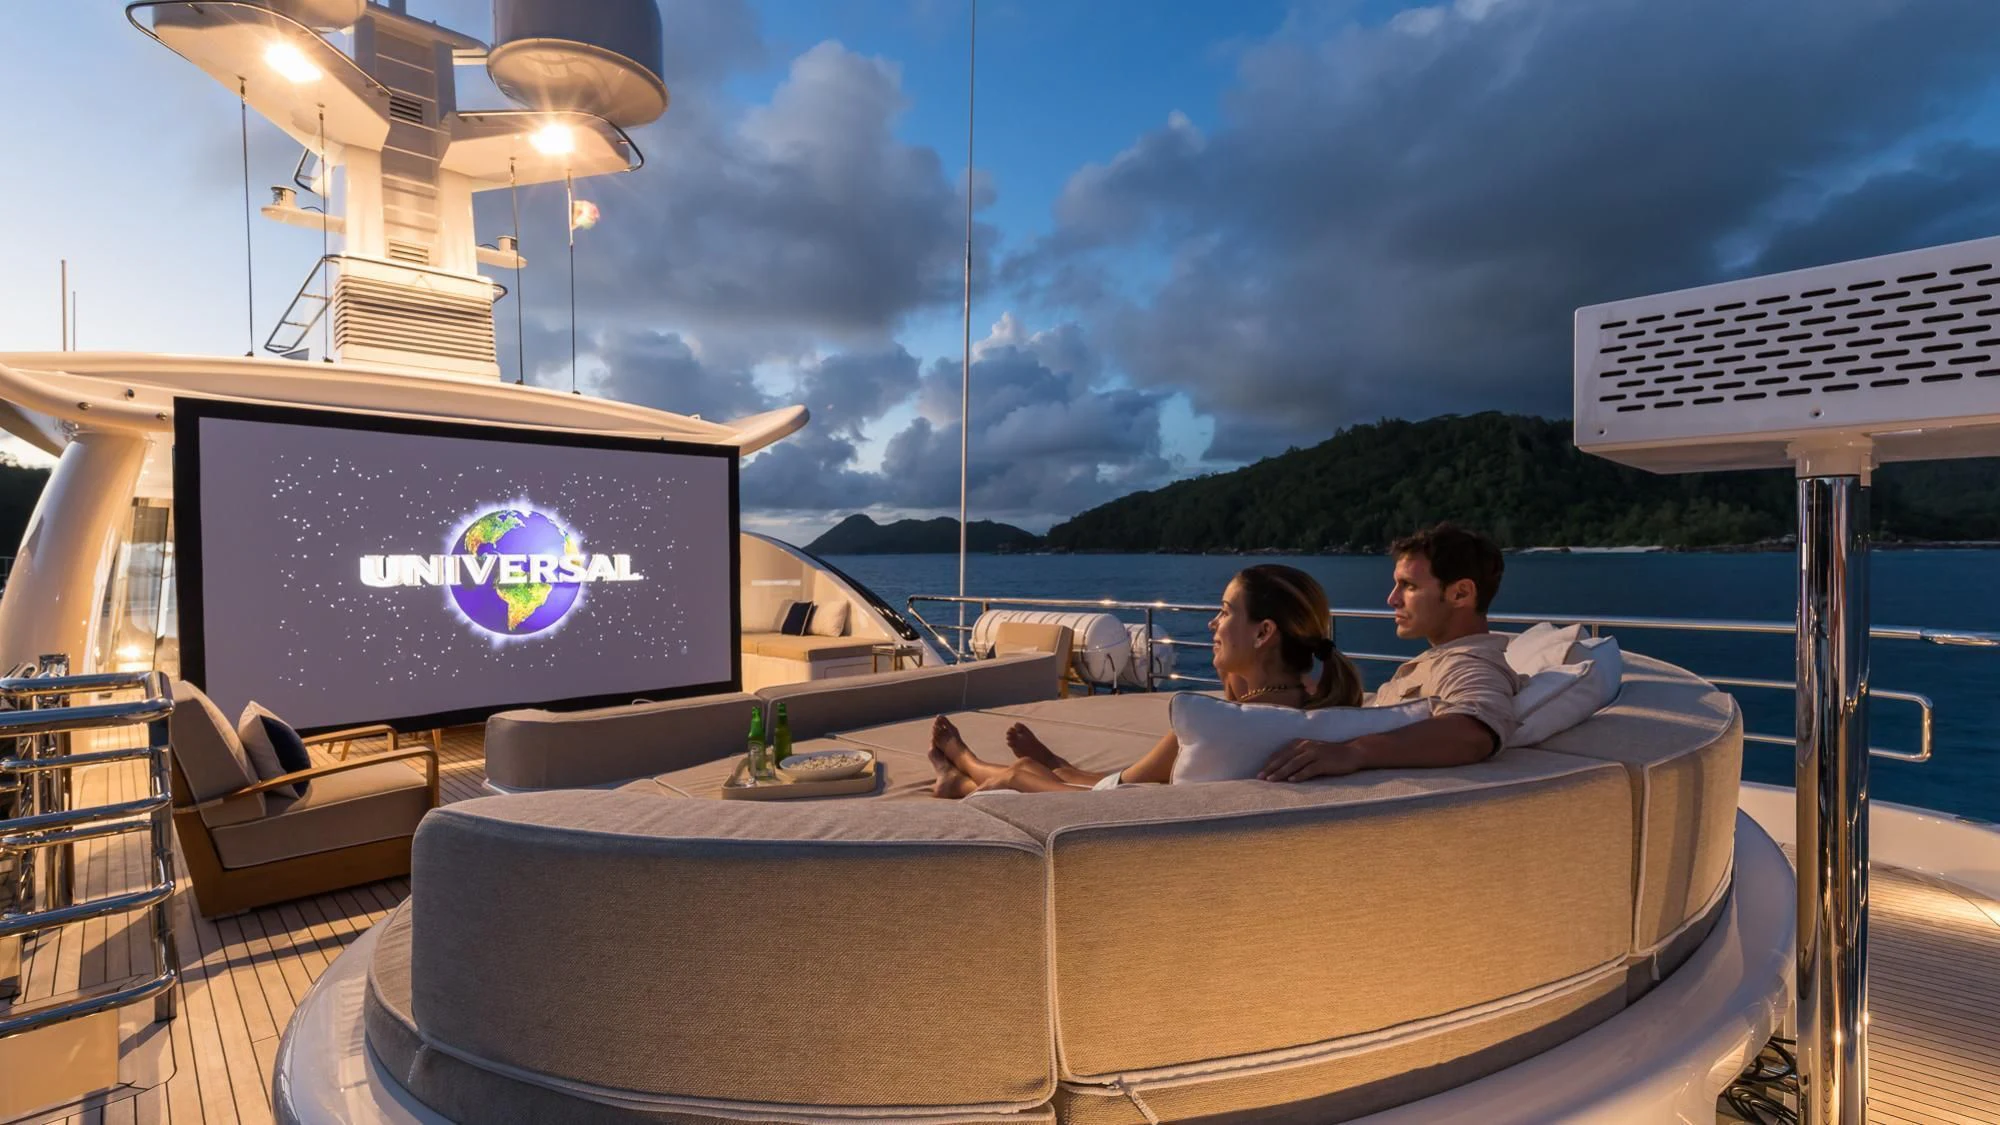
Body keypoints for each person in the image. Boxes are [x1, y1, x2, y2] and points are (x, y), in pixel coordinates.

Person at [927, 564, 1362, 797]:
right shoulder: (1320, 713)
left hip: (1119, 820)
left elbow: (1133, 784)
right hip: (1150, 802)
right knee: (1045, 771)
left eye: (1226, 611)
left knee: (1021, 773)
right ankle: (1049, 768)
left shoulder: (1212, 720)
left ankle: (964, 771)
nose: (1212, 623)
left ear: (1264, 633)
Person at [1257, 523, 1522, 782]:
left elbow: (1474, 733)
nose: (1392, 599)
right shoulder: (1441, 661)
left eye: (1408, 586)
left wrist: (1354, 752)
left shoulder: (1470, 664)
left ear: (1460, 594)